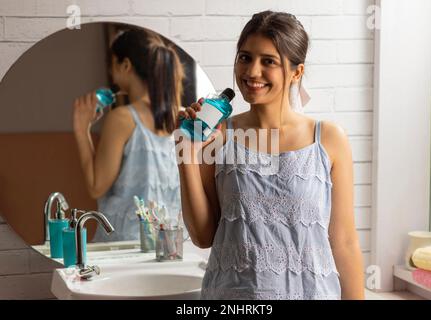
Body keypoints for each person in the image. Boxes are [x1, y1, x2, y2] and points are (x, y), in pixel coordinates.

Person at [176, 11, 365, 299]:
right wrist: (187, 156)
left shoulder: (328, 138)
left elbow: (344, 242)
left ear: (296, 72)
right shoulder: (218, 135)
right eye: (244, 57)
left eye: (268, 61)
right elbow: (203, 237)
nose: (252, 72)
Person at [72, 27, 184, 242]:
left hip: (125, 245)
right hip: (169, 245)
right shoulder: (179, 117)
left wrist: (80, 128)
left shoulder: (123, 118)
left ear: (125, 65)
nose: (112, 74)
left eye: (112, 65)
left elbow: (96, 187)